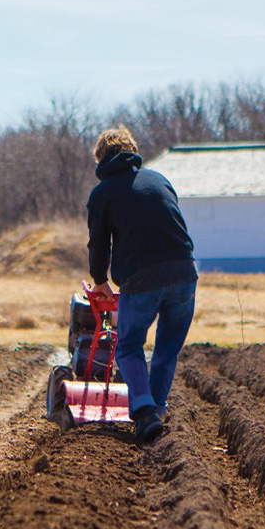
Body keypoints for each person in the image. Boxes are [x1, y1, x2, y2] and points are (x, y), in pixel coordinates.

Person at [86, 126, 198, 444]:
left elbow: (98, 244)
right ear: (133, 150)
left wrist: (100, 281)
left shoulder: (103, 193)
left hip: (141, 278)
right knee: (166, 349)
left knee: (129, 346)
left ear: (101, 157)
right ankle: (156, 410)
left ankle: (145, 412)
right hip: (185, 273)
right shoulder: (159, 180)